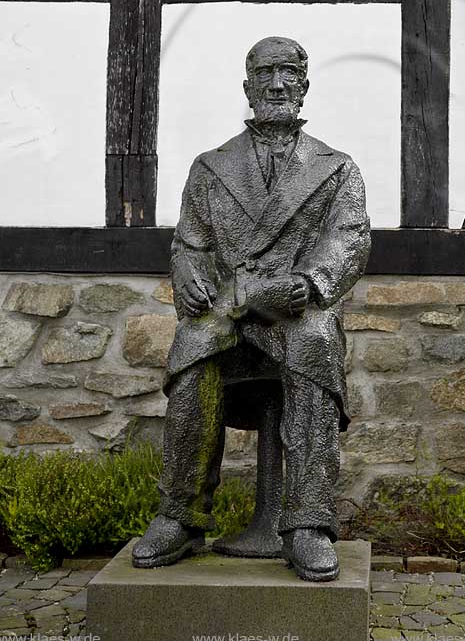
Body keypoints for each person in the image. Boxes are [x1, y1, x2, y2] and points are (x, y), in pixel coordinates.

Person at [132, 36, 371, 581]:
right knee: (193, 355)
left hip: (292, 310)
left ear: (305, 87)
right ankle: (182, 516)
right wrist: (188, 274)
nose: (279, 84)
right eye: (267, 75)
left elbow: (351, 238)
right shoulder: (211, 167)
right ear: (248, 88)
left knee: (316, 345)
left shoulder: (337, 170)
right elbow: (189, 242)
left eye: (289, 74)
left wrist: (310, 282)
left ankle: (308, 521)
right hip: (228, 309)